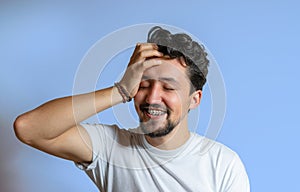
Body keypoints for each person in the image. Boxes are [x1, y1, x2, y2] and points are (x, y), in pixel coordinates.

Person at [14, 26, 250, 192]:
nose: (153, 97)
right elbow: (29, 128)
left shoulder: (222, 164)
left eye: (168, 87)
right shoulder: (111, 146)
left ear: (194, 99)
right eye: (144, 85)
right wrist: (119, 91)